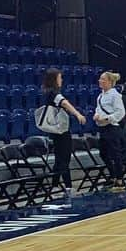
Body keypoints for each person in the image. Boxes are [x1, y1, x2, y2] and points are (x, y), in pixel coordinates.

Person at [39, 68, 87, 196]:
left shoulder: (47, 92)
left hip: (55, 131)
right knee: (64, 159)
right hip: (61, 131)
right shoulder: (55, 94)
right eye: (60, 78)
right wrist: (78, 114)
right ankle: (68, 187)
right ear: (55, 79)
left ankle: (55, 186)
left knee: (59, 160)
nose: (62, 80)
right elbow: (65, 104)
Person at [93, 71, 126, 191]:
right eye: (100, 79)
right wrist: (96, 115)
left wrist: (108, 118)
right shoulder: (100, 96)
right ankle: (113, 175)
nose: (100, 81)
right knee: (103, 153)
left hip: (112, 127)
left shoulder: (115, 95)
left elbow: (120, 112)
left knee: (115, 154)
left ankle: (120, 179)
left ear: (109, 82)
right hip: (102, 127)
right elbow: (98, 108)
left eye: (102, 79)